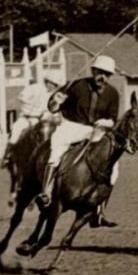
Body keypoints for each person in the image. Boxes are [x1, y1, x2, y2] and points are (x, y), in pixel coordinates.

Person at [37, 55, 120, 226]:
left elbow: (113, 119)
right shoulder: (76, 86)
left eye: (107, 74)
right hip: (72, 126)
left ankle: (99, 211)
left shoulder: (113, 93)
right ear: (93, 71)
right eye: (100, 72)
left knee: (113, 166)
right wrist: (56, 101)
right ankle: (46, 192)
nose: (103, 77)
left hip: (97, 130)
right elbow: (52, 108)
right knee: (56, 152)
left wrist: (106, 122)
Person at [1, 76, 61, 169]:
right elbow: (21, 97)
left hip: (40, 119)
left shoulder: (52, 94)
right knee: (15, 133)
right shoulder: (34, 88)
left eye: (56, 85)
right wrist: (31, 103)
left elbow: (53, 108)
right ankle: (7, 157)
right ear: (48, 82)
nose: (54, 87)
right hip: (26, 118)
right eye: (53, 84)